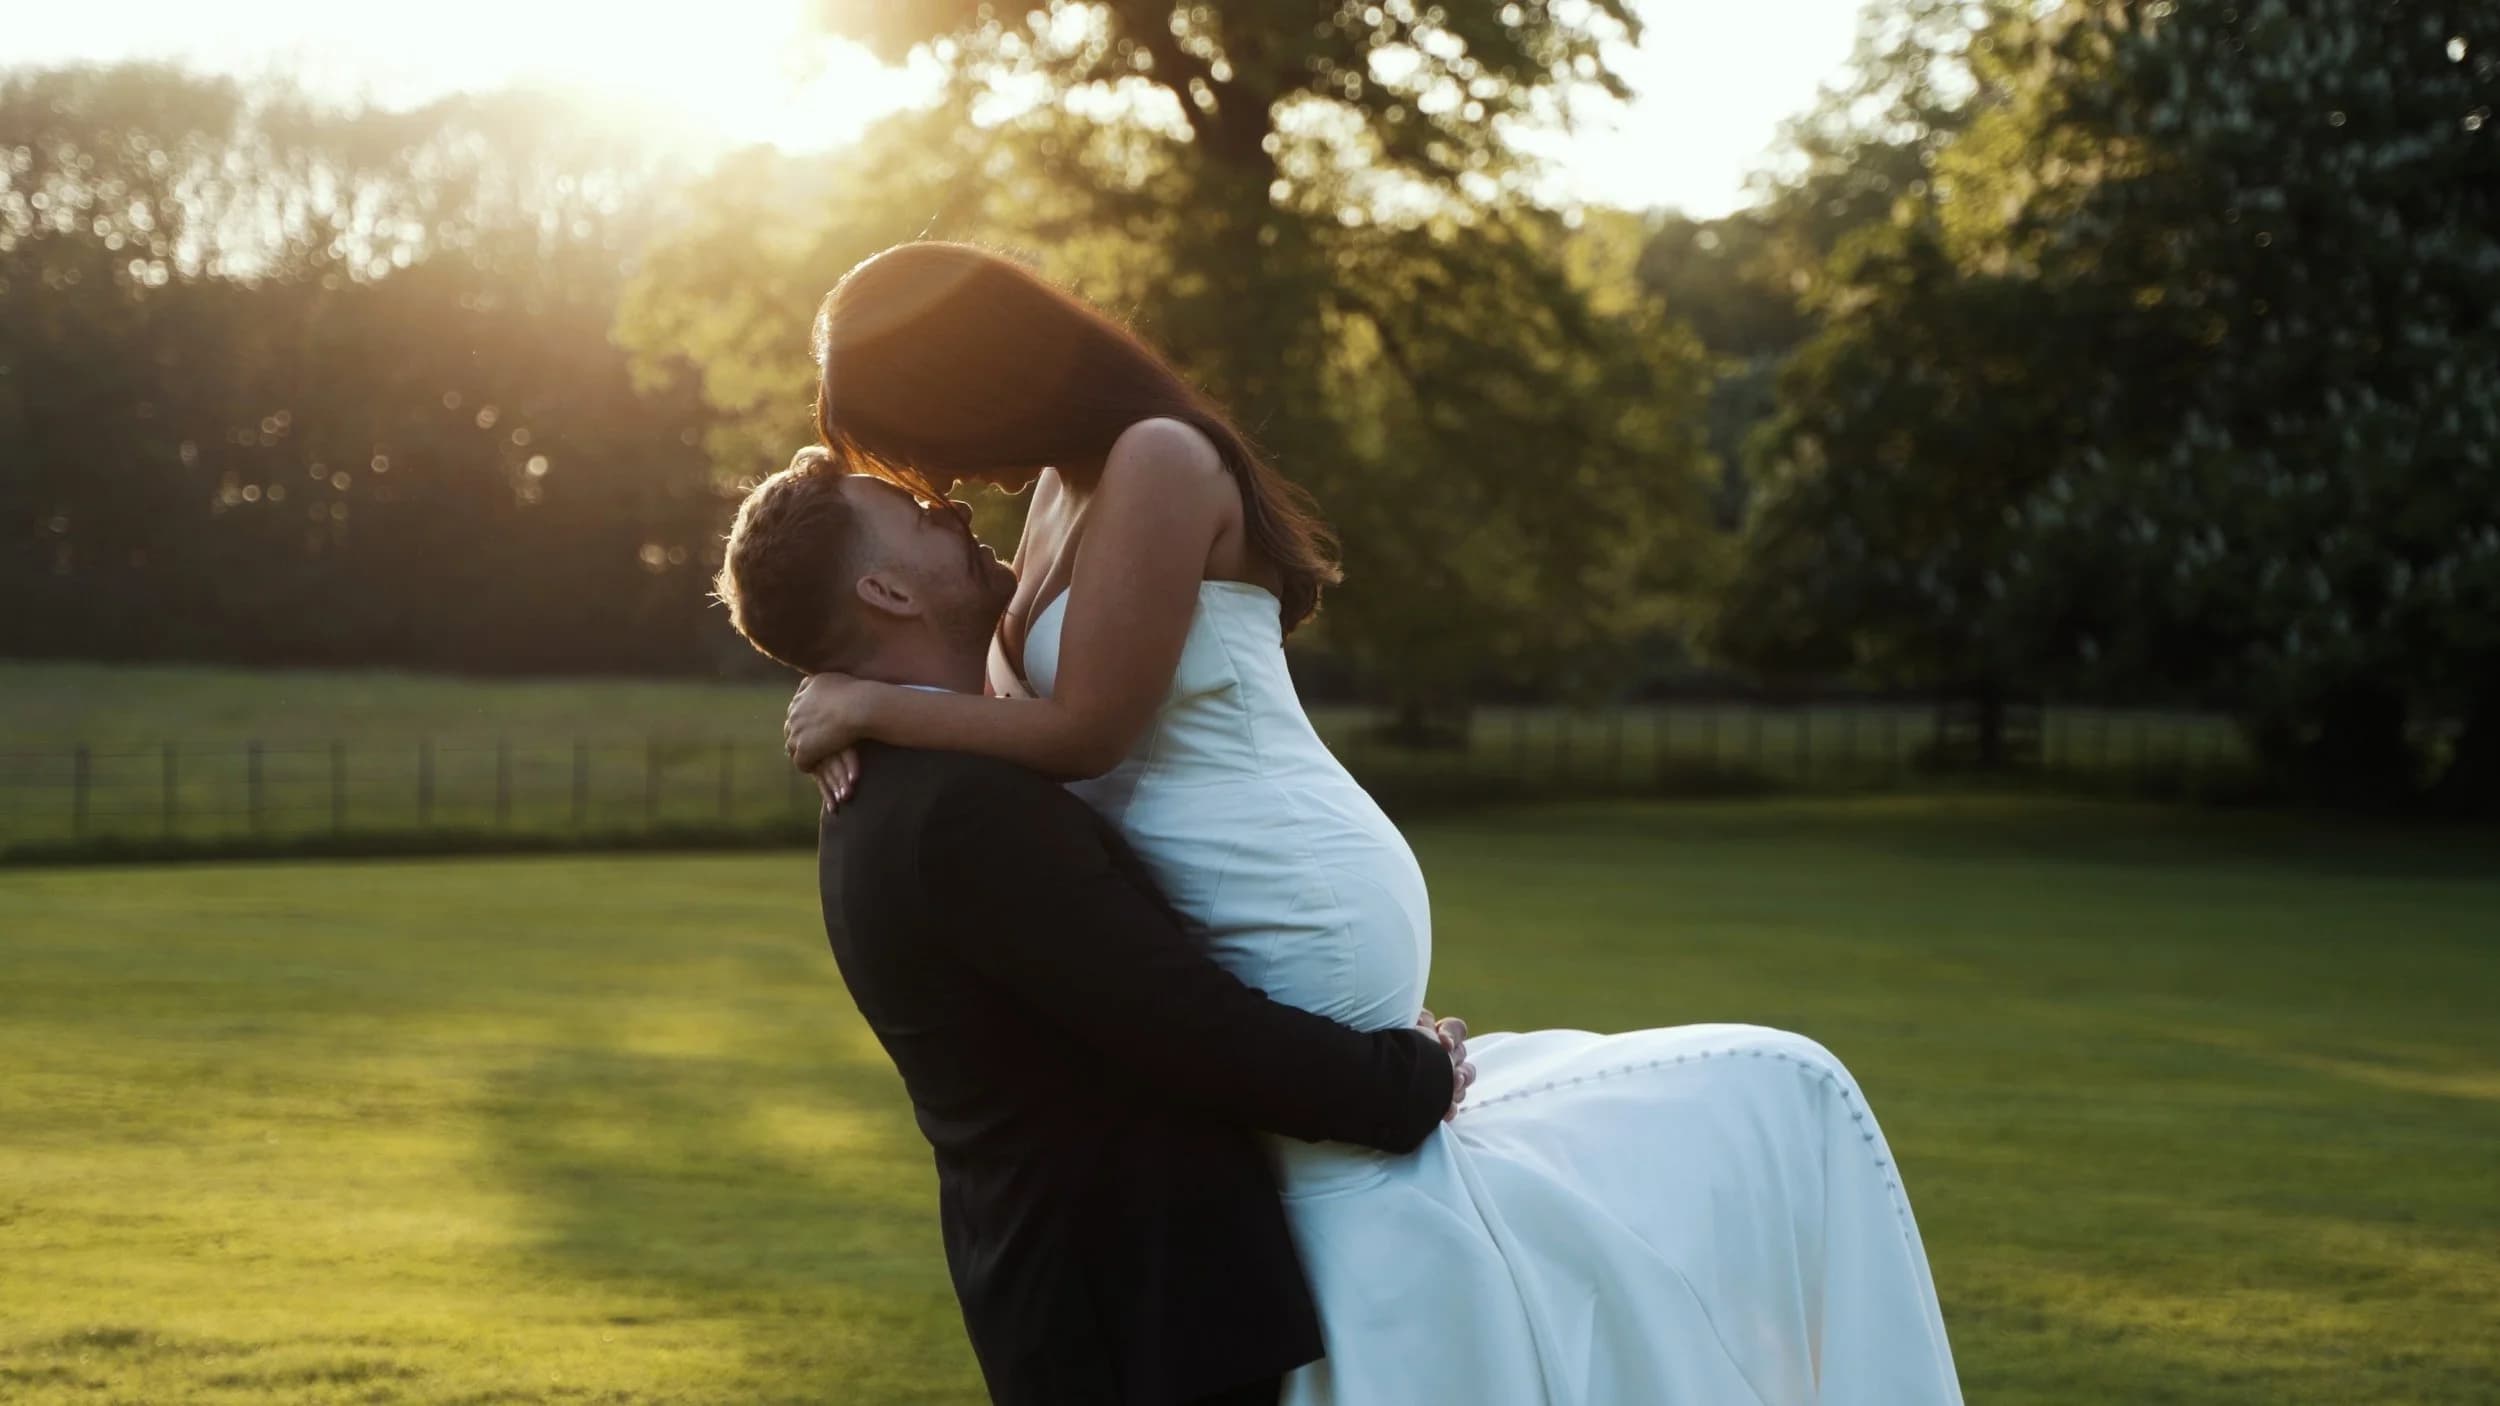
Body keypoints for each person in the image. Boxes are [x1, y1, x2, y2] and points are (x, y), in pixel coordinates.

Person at [782, 241, 1964, 1404]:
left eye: (929, 440)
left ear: (975, 377)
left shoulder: (1157, 456)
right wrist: (861, 693)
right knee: (1293, 1173)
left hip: (1275, 880)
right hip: (1184, 892)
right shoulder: (1054, 494)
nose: (944, 480)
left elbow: (1089, 728)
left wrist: (875, 704)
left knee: (1337, 1174)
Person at [716, 450, 1474, 1406]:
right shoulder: (961, 809)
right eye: (917, 513)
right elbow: (1184, 1026)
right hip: (1140, 1323)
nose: (953, 510)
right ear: (886, 592)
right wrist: (1412, 1078)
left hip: (1085, 1309)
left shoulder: (896, 783)